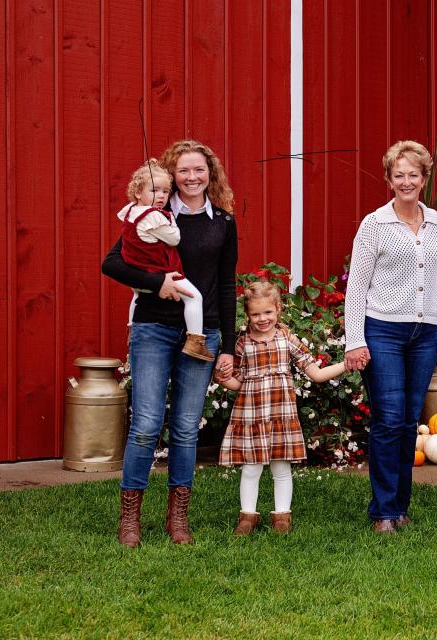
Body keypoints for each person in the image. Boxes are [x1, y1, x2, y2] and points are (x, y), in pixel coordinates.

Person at [102, 139, 239, 548]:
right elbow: (112, 263)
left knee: (185, 429)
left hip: (202, 333)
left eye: (199, 170)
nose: (192, 177)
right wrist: (155, 281)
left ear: (210, 173)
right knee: (145, 425)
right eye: (183, 171)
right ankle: (130, 518)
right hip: (154, 328)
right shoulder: (154, 214)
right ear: (172, 176)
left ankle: (177, 517)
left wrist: (227, 346)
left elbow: (227, 285)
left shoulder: (223, 221)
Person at [344, 140, 437, 534]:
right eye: (399, 175)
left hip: (424, 334)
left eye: (413, 174)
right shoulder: (375, 224)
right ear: (389, 179)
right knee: (389, 420)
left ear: (424, 178)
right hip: (383, 331)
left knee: (409, 422)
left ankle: (400, 507)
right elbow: (356, 287)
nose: (406, 181)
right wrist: (355, 340)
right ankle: (383, 511)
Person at [214, 281, 346, 535]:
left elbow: (316, 374)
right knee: (251, 468)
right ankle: (247, 517)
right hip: (251, 416)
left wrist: (346, 365)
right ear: (248, 314)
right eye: (255, 314)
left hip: (281, 416)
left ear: (278, 309)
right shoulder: (242, 343)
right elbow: (237, 383)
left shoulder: (287, 339)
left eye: (268, 312)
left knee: (281, 468)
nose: (262, 319)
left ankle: (282, 517)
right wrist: (221, 378)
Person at [116, 159, 214, 362]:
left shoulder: (131, 210)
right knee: (194, 298)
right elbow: (174, 238)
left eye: (165, 191)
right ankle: (195, 341)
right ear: (138, 193)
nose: (161, 196)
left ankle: (131, 328)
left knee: (136, 296)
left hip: (138, 271)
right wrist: (171, 219)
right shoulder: (155, 216)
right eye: (154, 190)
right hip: (160, 271)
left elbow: (124, 218)